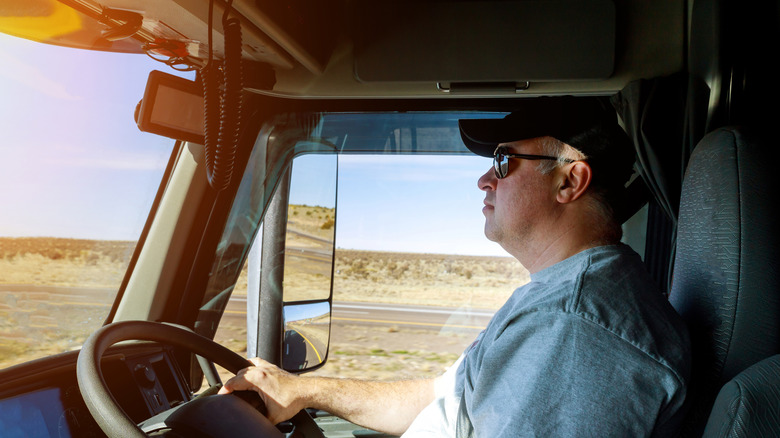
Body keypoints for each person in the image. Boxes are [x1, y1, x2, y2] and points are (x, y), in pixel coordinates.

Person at [219, 97, 691, 437]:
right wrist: (304, 391)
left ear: (570, 180)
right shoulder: (559, 296)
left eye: (504, 161)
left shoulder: (576, 329)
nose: (484, 178)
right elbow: (445, 401)